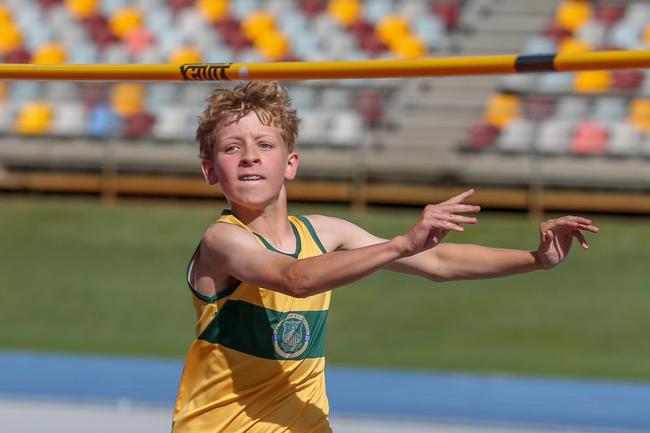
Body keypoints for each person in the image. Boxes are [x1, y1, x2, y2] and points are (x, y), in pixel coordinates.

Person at [171, 81, 599, 433]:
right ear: (210, 171)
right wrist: (400, 244)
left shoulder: (324, 231)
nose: (249, 156)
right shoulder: (222, 241)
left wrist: (535, 259)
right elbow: (295, 279)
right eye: (232, 149)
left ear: (290, 163)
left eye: (264, 145)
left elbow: (438, 263)